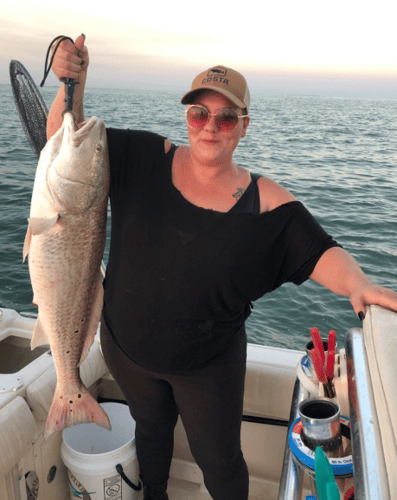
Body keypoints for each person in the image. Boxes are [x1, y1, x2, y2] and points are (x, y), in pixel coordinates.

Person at [47, 35, 397, 500]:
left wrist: (359, 284)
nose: (211, 126)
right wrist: (73, 83)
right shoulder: (142, 156)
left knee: (221, 462)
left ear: (244, 126)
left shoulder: (264, 201)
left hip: (208, 367)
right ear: (187, 117)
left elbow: (318, 250)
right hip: (125, 350)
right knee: (151, 434)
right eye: (199, 113)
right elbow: (62, 148)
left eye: (226, 116)